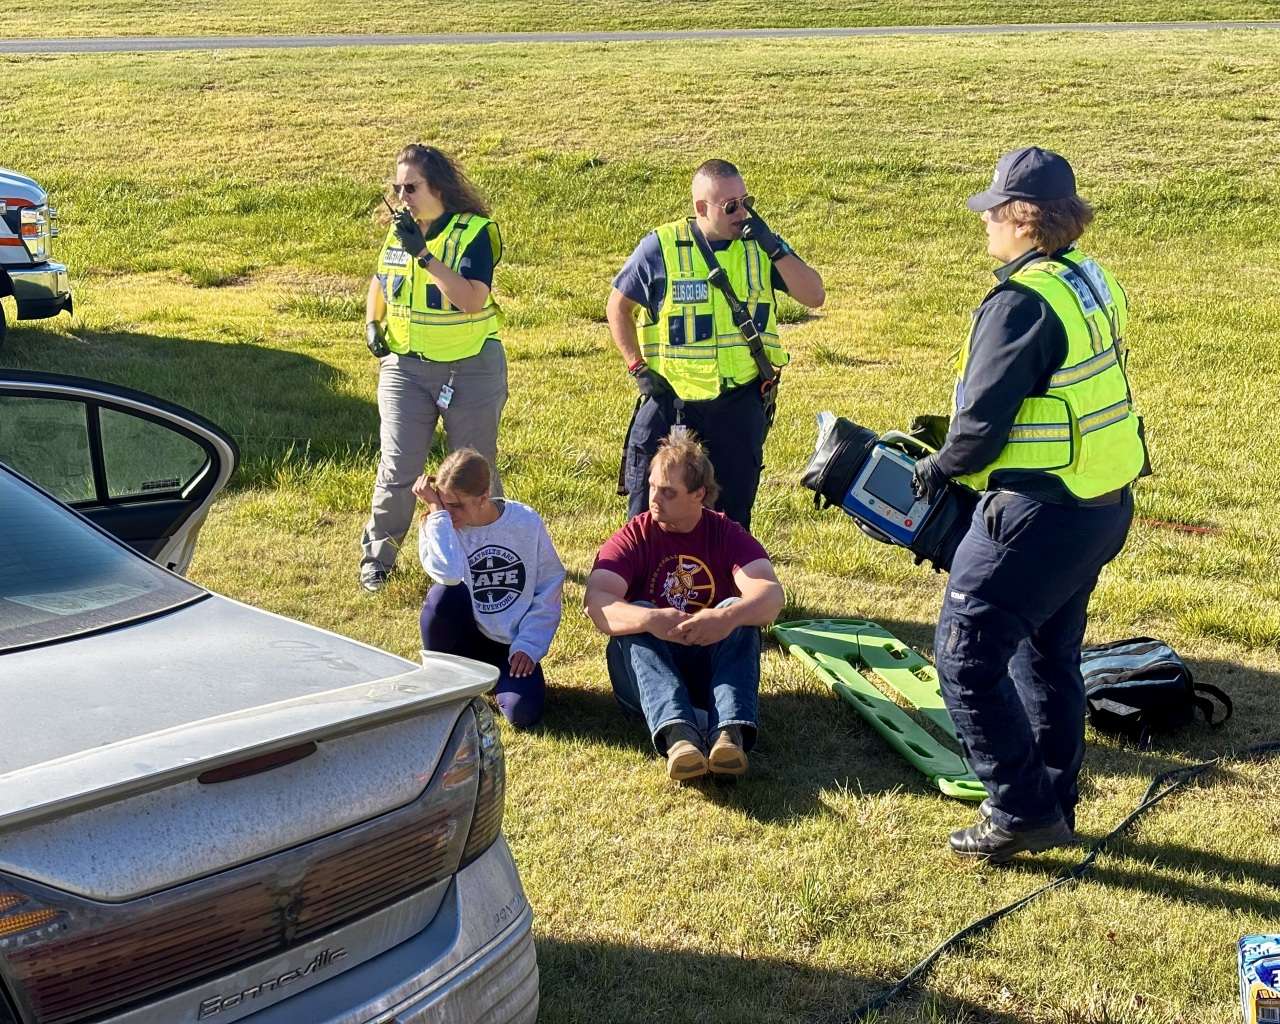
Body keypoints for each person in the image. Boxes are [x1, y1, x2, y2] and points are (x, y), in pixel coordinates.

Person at [910, 147, 1147, 862]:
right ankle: (1053, 801)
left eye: (993, 212)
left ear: (1023, 219)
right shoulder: (1087, 278)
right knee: (1045, 656)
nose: (984, 225)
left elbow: (980, 430)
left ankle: (1018, 809)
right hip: (1101, 502)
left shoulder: (1020, 301)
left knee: (965, 654)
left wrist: (940, 467)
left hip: (1039, 511)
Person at [606, 158, 825, 531]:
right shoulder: (661, 246)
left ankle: (726, 587)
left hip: (739, 402)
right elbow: (617, 307)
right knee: (649, 512)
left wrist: (775, 248)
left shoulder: (761, 247)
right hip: (672, 402)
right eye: (730, 206)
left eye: (746, 201)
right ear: (701, 208)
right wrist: (638, 368)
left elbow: (814, 295)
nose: (742, 213)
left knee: (732, 518)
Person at [584, 429, 784, 781]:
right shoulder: (635, 535)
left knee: (738, 608)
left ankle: (728, 735)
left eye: (668, 492)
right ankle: (679, 737)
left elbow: (770, 595)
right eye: (652, 487)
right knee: (636, 615)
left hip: (708, 667)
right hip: (646, 676)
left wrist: (726, 618)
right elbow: (596, 600)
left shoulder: (725, 534)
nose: (654, 499)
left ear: (699, 495)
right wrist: (651, 618)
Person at [359, 144, 507, 592]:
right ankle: (378, 559)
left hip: (470, 369)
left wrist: (423, 254)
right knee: (398, 466)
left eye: (411, 187)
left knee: (473, 466)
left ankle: (490, 550)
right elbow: (381, 280)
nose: (401, 196)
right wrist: (372, 321)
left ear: (438, 188)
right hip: (406, 368)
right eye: (397, 187)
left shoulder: (475, 232)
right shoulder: (400, 231)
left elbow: (470, 300)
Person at [414, 448, 564, 728]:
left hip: (508, 646)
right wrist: (437, 512)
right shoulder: (440, 524)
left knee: (523, 714)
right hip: (461, 636)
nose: (449, 511)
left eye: (457, 505)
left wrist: (529, 646)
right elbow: (448, 573)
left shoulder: (525, 522)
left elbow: (549, 586)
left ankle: (493, 680)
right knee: (443, 594)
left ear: (483, 497)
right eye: (443, 502)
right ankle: (441, 679)